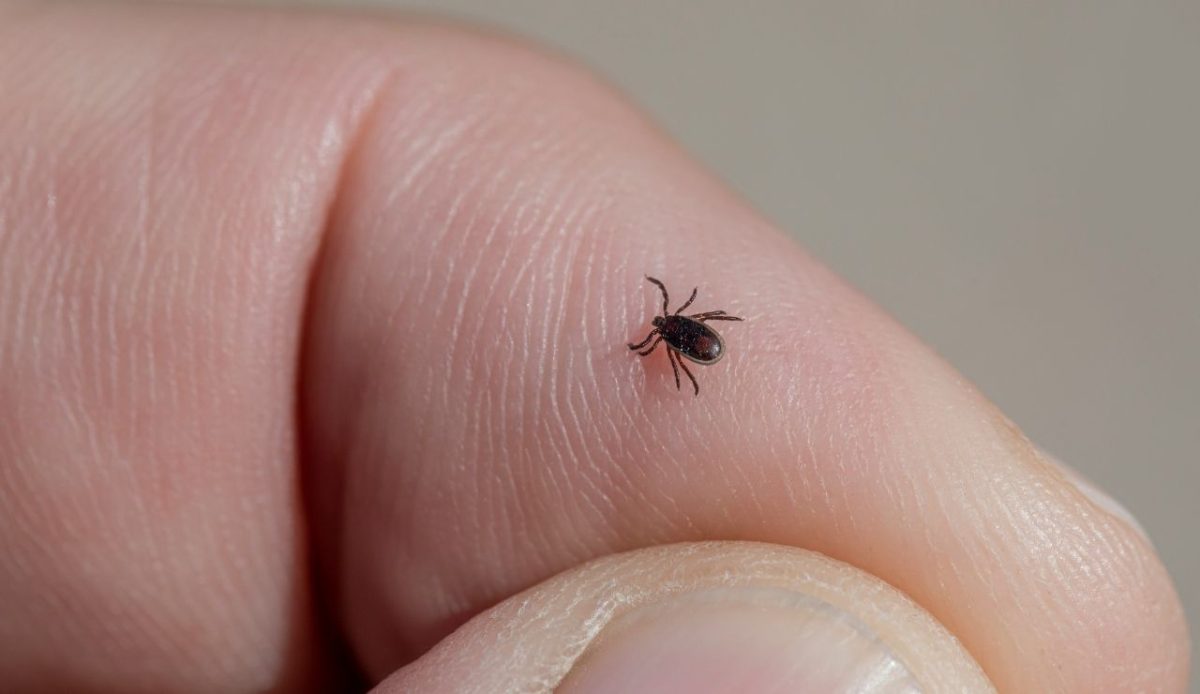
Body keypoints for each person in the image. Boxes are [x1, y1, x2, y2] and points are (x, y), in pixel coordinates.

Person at [0, 3, 1188, 692]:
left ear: (681, 330)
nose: (676, 332)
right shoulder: (680, 334)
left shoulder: (675, 339)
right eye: (677, 331)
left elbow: (685, 335)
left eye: (676, 329)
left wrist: (674, 348)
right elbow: (691, 329)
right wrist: (680, 345)